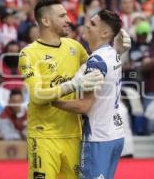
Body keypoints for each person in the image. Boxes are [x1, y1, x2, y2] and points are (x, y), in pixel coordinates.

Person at [18, 0, 104, 179]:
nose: (69, 20)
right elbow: (37, 96)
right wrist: (72, 85)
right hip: (43, 137)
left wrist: (116, 51)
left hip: (73, 136)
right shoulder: (29, 54)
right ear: (46, 21)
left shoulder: (75, 47)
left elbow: (100, 67)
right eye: (62, 16)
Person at [52, 9, 127, 179]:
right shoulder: (113, 54)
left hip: (98, 137)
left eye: (93, 23)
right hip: (115, 134)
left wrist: (53, 101)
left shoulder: (96, 61)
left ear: (105, 33)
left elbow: (84, 105)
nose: (87, 25)